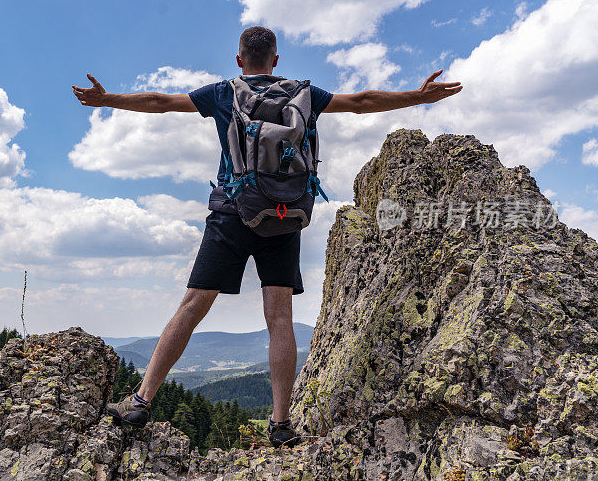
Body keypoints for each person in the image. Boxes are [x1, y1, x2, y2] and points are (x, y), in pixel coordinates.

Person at [72, 26, 462, 447]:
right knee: (278, 318)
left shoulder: (224, 93)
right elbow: (362, 103)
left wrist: (108, 99)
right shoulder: (304, 95)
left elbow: (162, 103)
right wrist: (418, 97)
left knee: (191, 308)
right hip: (284, 215)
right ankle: (280, 425)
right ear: (276, 59)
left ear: (239, 60)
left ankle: (140, 402)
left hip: (232, 213)